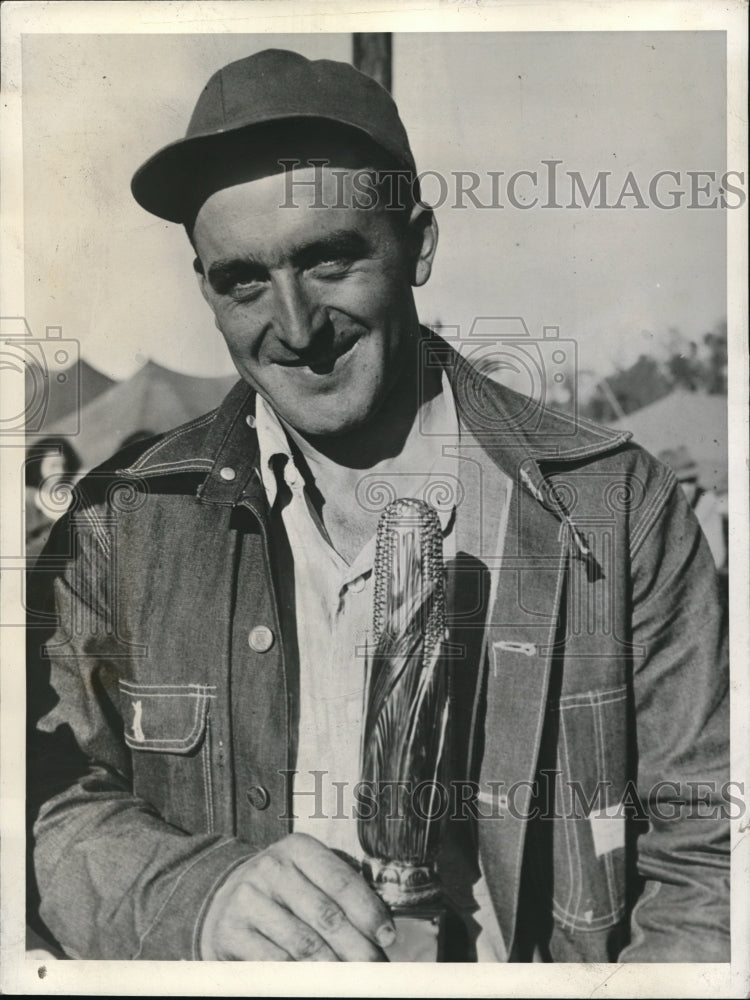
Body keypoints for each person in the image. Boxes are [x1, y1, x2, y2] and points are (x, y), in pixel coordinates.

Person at [26, 49, 729, 963]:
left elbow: (709, 855)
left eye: (329, 260)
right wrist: (195, 896)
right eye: (243, 279)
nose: (296, 324)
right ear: (203, 283)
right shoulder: (122, 522)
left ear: (419, 243)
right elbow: (45, 798)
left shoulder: (610, 506)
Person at [24, 436, 81, 562]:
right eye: (53, 466)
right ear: (37, 466)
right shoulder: (29, 501)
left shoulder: (75, 491)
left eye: (64, 465)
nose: (61, 472)